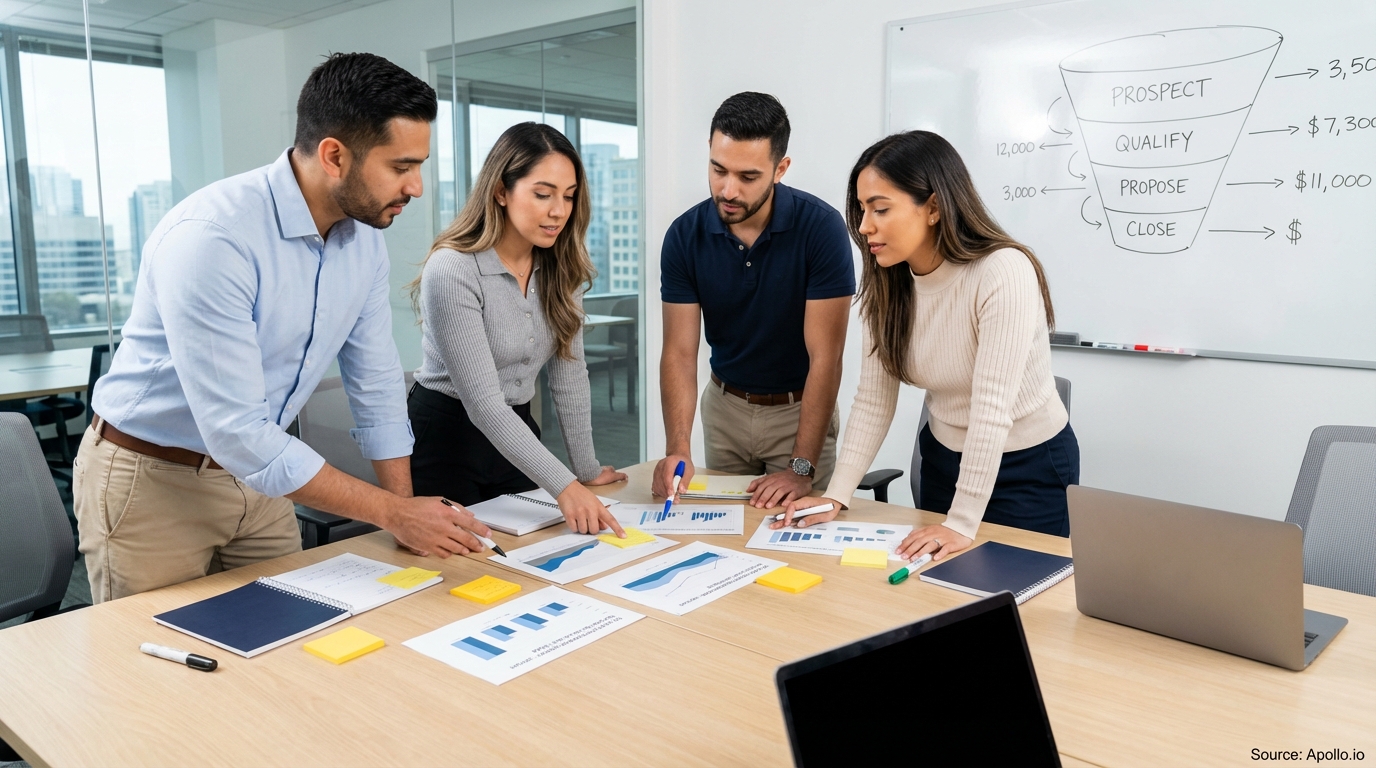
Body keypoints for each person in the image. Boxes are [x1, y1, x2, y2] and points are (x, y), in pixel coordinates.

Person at [74, 53, 494, 604]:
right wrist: (396, 513)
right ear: (335, 155)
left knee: (294, 638)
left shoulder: (363, 241)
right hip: (154, 480)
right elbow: (237, 431)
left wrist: (404, 518)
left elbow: (377, 385)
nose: (416, 187)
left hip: (265, 479)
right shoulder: (214, 237)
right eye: (401, 166)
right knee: (158, 674)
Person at [777, 130, 1080, 562]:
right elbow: (873, 401)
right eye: (863, 210)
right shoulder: (887, 284)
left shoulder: (1003, 272)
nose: (864, 227)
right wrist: (837, 495)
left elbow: (991, 408)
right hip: (944, 460)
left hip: (1029, 467)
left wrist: (960, 521)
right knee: (940, 592)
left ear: (934, 207)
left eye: (880, 209)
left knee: (1019, 600)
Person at [406, 123, 626, 536]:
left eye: (569, 196)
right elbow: (485, 404)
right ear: (501, 191)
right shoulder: (454, 268)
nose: (558, 210)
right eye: (542, 194)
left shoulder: (563, 270)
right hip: (446, 439)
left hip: (518, 436)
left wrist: (585, 471)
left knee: (537, 559)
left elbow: (569, 374)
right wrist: (565, 485)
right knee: (461, 574)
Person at [654, 92, 854, 510]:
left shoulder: (821, 229)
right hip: (724, 409)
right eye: (718, 169)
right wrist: (679, 448)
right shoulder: (683, 236)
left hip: (796, 412)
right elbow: (678, 351)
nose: (728, 190)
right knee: (724, 539)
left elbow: (827, 357)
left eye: (747, 177)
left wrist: (802, 467)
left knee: (796, 539)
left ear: (780, 169)